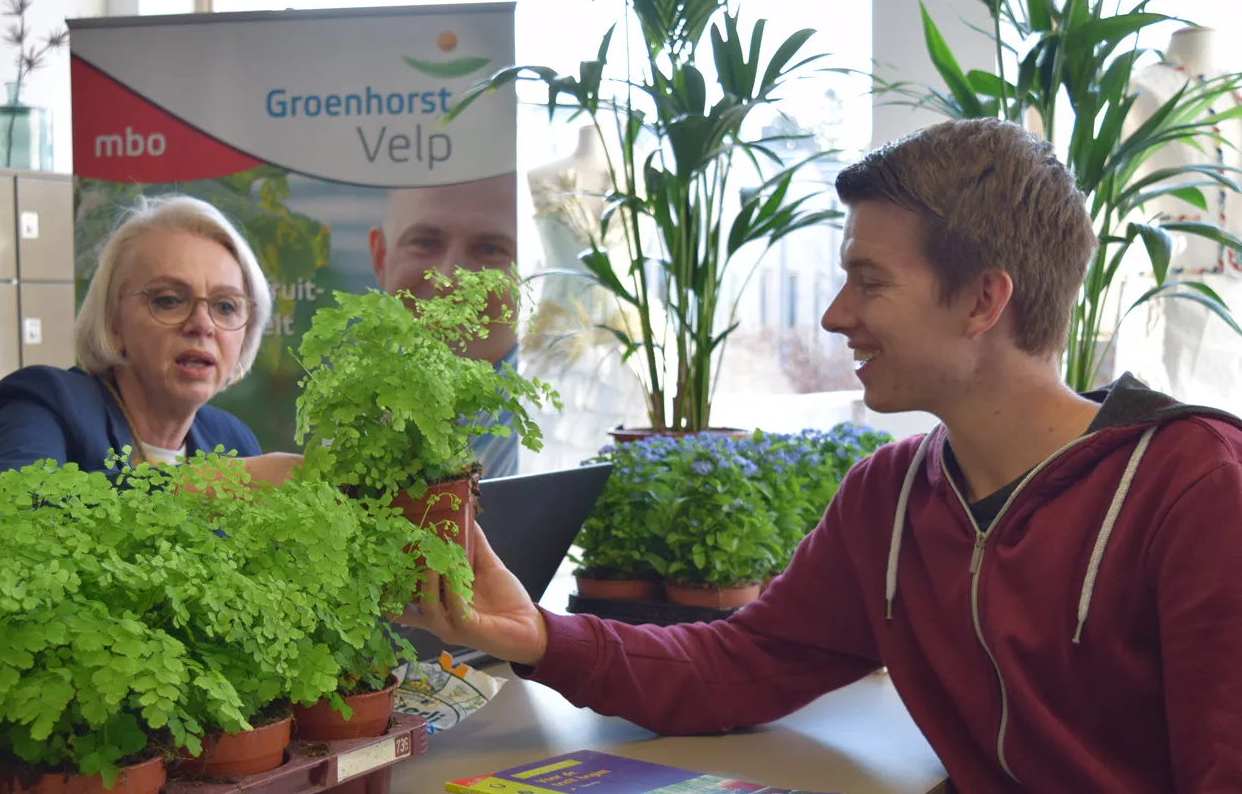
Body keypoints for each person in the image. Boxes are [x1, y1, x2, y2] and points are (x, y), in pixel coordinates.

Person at [398, 119, 1242, 791]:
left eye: (869, 281)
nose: (837, 315)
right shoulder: (891, 495)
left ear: (985, 299)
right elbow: (739, 668)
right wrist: (538, 635)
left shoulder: (1196, 486)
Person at [0, 194, 302, 485]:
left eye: (226, 306)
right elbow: (4, 523)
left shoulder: (232, 438)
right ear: (114, 323)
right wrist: (221, 486)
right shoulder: (44, 403)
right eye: (169, 300)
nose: (202, 325)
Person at [369, 172, 521, 477]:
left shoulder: (560, 432)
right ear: (381, 258)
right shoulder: (363, 409)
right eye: (425, 243)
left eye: (490, 249)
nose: (450, 279)